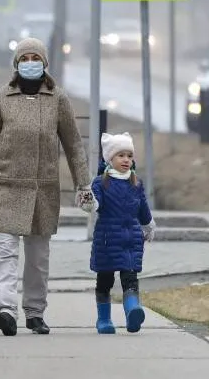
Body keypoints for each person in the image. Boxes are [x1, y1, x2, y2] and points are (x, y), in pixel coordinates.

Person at [0, 37, 95, 336]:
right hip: (5, 186)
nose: (30, 63)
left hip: (42, 190)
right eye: (25, 58)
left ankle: (35, 312)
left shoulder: (58, 99)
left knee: (38, 257)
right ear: (16, 64)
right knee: (5, 251)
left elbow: (73, 145)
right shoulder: (1, 98)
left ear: (44, 64)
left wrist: (83, 184)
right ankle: (6, 309)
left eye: (35, 58)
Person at [83, 132, 156, 334]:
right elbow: (96, 205)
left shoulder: (136, 183)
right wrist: (88, 201)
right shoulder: (101, 183)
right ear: (110, 159)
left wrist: (149, 225)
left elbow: (143, 208)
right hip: (107, 240)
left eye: (129, 155)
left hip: (131, 240)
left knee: (130, 278)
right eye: (121, 155)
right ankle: (104, 320)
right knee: (105, 281)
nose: (126, 160)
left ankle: (133, 311)